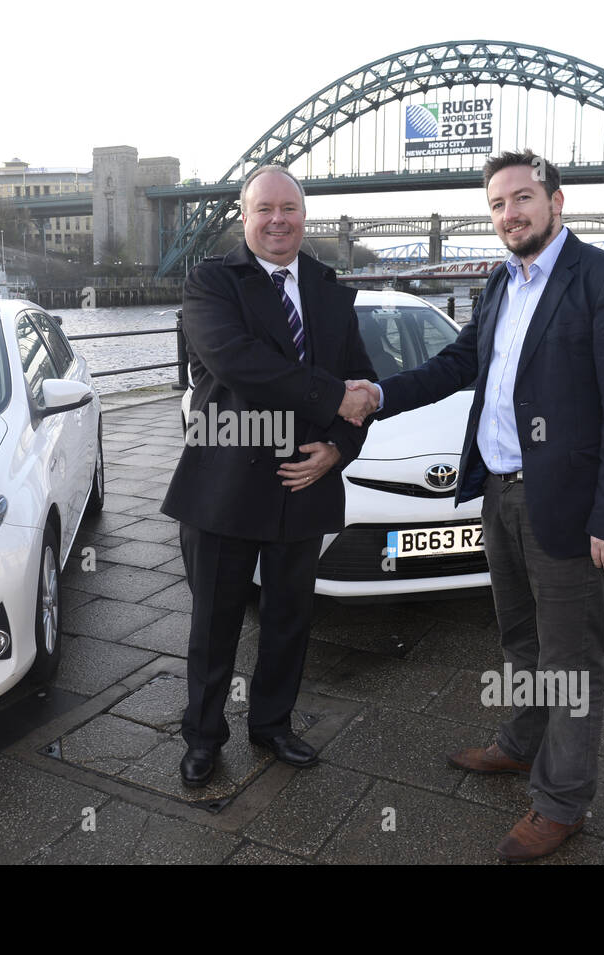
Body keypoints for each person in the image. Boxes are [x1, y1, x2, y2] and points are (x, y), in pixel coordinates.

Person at [344, 149, 604, 861]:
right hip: (499, 493)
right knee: (520, 638)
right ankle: (520, 743)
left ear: (556, 200)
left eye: (522, 197)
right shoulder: (498, 283)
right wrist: (378, 397)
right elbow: (460, 363)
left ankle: (562, 800)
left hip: (568, 508)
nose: (509, 213)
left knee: (572, 657)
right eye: (497, 204)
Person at [161, 165, 379, 788]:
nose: (278, 220)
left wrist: (338, 449)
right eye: (265, 210)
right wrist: (332, 396)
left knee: (290, 618)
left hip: (302, 480)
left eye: (289, 208)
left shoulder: (331, 289)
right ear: (244, 215)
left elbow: (361, 388)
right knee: (214, 623)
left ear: (303, 216)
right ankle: (203, 737)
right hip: (226, 481)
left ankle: (273, 725)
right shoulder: (212, 281)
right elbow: (237, 363)